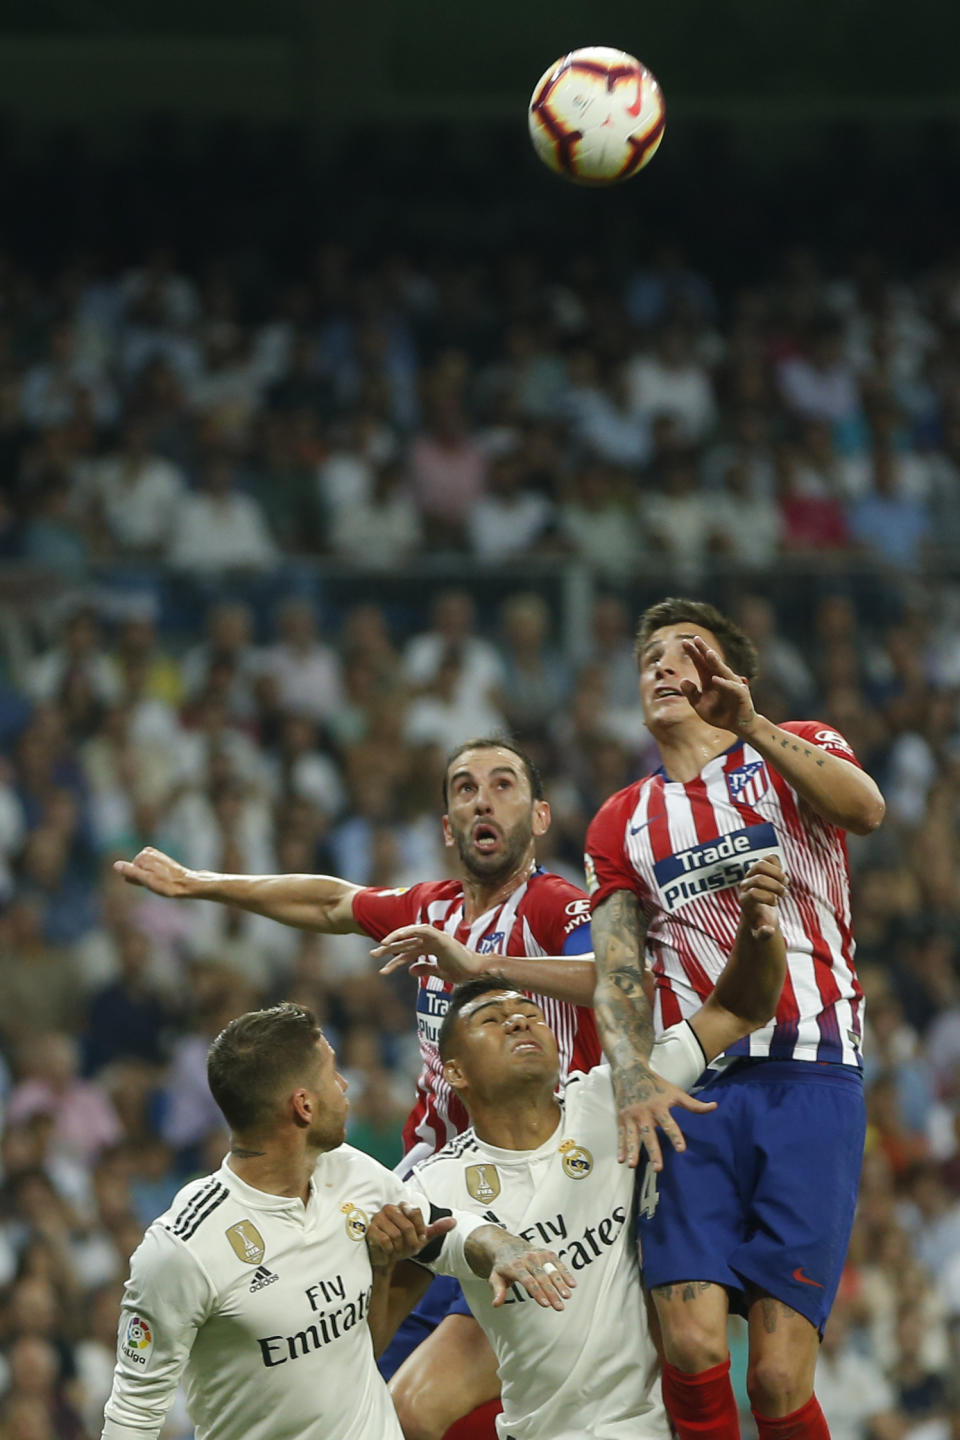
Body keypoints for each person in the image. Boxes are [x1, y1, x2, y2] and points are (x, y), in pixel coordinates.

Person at [114, 737, 627, 1433]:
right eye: (465, 787)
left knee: (415, 1409)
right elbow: (332, 902)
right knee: (355, 1378)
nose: (483, 798)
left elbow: (618, 980)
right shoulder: (433, 907)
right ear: (447, 825)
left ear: (539, 818)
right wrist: (205, 884)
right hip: (429, 1182)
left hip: (534, 1186)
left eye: (504, 785)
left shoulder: (552, 907)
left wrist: (483, 965)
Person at [584, 597, 886, 1440]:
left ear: (729, 675)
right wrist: (632, 1071)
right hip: (697, 1085)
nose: (664, 669)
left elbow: (865, 810)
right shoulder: (622, 818)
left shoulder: (795, 747)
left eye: (689, 654)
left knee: (782, 1377)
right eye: (651, 660)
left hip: (813, 1074)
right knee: (686, 1342)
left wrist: (752, 724)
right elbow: (616, 964)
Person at [369, 857, 788, 1440]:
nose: (519, 1023)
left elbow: (738, 1009)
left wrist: (759, 928)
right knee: (403, 1408)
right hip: (534, 1431)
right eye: (493, 1018)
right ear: (455, 1072)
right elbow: (441, 1240)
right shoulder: (434, 1182)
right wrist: (490, 1244)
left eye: (529, 1014)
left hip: (642, 1429)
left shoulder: (614, 1096)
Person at [99, 1001, 572, 1440]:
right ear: (303, 1106)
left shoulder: (351, 1172)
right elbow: (133, 1413)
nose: (345, 1086)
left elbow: (441, 1233)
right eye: (333, 1073)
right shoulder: (183, 1248)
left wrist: (500, 1246)